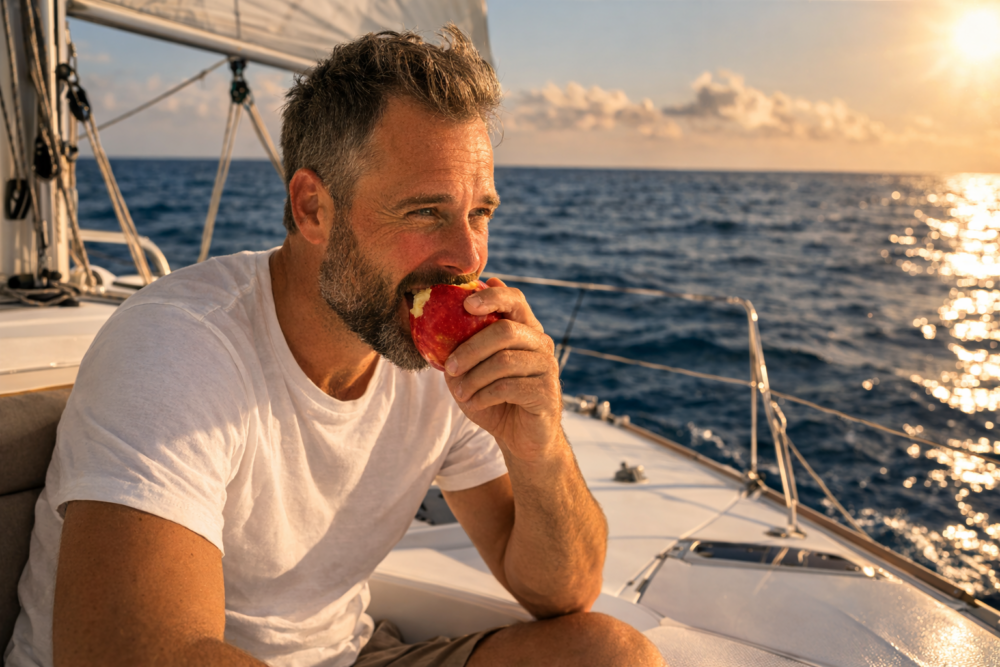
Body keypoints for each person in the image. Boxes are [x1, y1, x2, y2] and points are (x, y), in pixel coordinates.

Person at [6, 27, 665, 667]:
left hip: (347, 653)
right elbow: (121, 655)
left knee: (615, 655)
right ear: (313, 208)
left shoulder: (429, 356)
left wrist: (539, 445)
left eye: (480, 212)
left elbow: (561, 590)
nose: (467, 256)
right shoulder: (180, 347)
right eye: (426, 212)